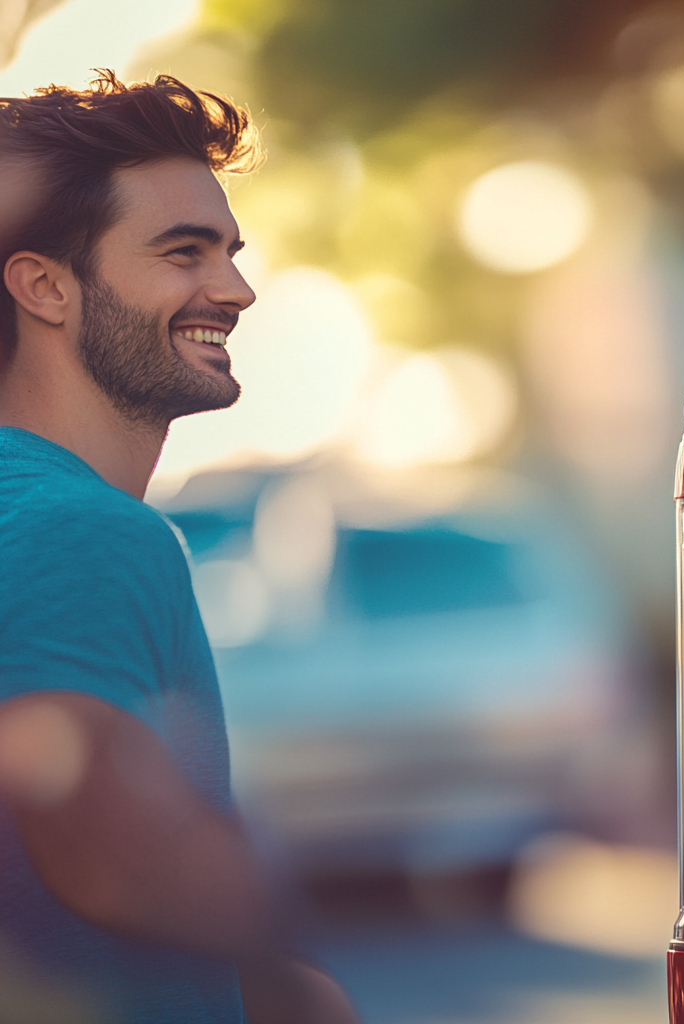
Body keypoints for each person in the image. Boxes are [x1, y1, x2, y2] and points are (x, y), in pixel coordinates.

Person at [0, 71, 357, 1023]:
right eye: (183, 252)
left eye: (230, 252)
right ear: (44, 286)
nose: (235, 289)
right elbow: (83, 828)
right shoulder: (85, 530)